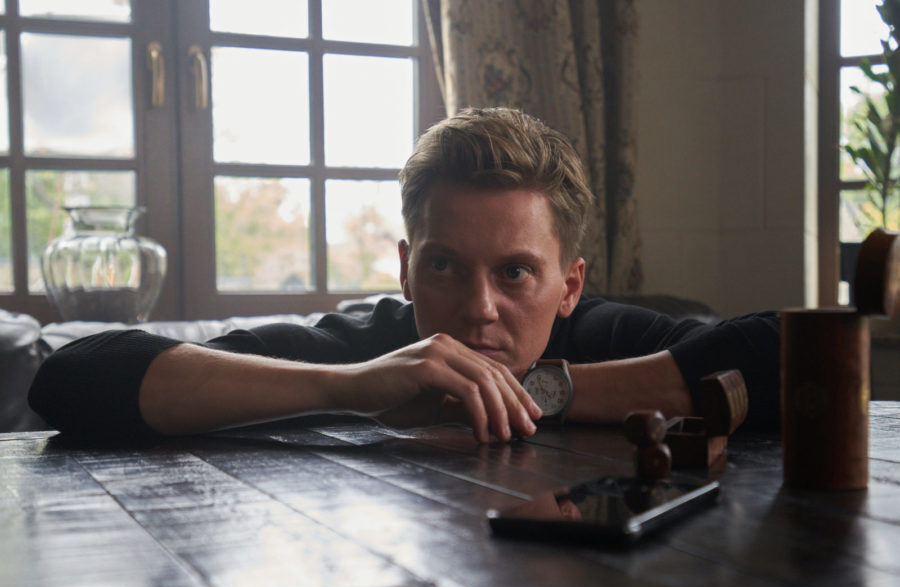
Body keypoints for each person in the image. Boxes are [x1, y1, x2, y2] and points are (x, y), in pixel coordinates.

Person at [28, 107, 780, 445]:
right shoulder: (370, 345)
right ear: (405, 270)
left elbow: (784, 350)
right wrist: (351, 387)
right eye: (444, 264)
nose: (479, 308)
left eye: (516, 273)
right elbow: (71, 379)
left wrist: (543, 393)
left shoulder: (605, 336)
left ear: (570, 287)